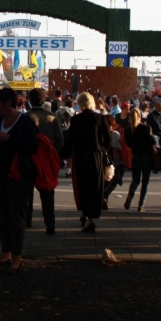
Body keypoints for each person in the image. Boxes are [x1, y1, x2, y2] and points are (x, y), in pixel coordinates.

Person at [0, 88, 39, 273]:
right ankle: (5, 253)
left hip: (19, 174)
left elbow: (32, 146)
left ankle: (17, 256)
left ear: (7, 104)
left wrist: (9, 138)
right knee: (2, 213)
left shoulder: (25, 121)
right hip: (0, 171)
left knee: (16, 215)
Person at [60, 92, 111, 233]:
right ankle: (91, 219)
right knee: (95, 187)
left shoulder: (76, 120)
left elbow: (71, 140)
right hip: (96, 155)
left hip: (81, 155)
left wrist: (63, 154)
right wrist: (101, 149)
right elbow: (108, 139)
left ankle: (84, 213)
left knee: (82, 186)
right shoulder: (100, 118)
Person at [25, 88, 64, 234]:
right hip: (47, 160)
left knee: (27, 192)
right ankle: (50, 223)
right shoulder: (51, 117)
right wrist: (58, 157)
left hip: (29, 159)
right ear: (44, 100)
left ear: (30, 99)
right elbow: (59, 140)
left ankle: (27, 219)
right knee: (47, 193)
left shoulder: (25, 117)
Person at [123, 108, 155, 212]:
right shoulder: (145, 128)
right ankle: (141, 205)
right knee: (145, 182)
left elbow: (128, 143)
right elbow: (150, 143)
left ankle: (130, 196)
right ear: (140, 116)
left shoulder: (128, 129)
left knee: (135, 180)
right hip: (146, 156)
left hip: (135, 156)